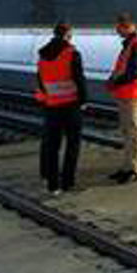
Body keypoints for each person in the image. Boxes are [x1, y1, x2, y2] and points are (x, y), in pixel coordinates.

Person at [34, 21, 86, 195]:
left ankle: (52, 184)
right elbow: (79, 80)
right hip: (71, 106)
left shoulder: (42, 55)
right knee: (73, 145)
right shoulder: (72, 53)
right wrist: (84, 100)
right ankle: (67, 182)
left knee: (52, 146)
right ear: (68, 34)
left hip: (52, 106)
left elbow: (40, 81)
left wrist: (47, 98)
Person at [106, 13, 137, 184]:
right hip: (125, 93)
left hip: (131, 93)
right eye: (118, 26)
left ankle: (134, 169)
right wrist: (114, 81)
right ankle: (127, 166)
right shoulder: (129, 45)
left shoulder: (135, 45)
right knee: (127, 131)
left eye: (121, 26)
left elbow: (133, 72)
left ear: (131, 26)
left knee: (132, 131)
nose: (118, 29)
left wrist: (115, 82)